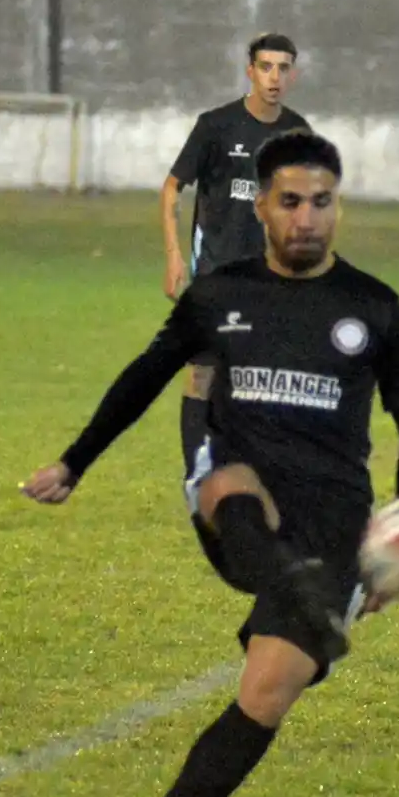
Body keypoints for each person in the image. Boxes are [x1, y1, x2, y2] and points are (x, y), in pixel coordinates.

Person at [21, 131, 399, 797]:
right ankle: (298, 581)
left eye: (322, 202)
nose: (307, 218)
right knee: (224, 478)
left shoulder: (375, 309)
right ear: (261, 205)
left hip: (334, 520)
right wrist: (74, 462)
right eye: (291, 202)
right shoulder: (220, 295)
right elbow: (144, 378)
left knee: (266, 694)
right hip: (243, 503)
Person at [161, 32, 312, 476]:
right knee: (203, 375)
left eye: (283, 68)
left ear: (293, 75)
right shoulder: (216, 127)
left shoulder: (298, 133)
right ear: (250, 71)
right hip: (215, 274)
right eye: (266, 67)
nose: (274, 77)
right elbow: (172, 187)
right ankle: (198, 476)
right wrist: (173, 255)